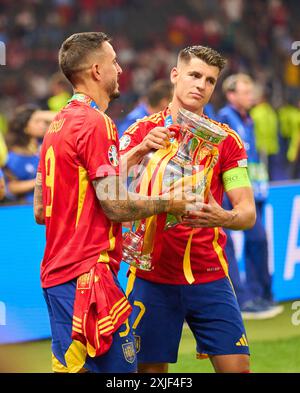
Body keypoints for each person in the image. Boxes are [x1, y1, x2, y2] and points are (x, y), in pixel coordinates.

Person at [34, 32, 195, 374]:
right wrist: (170, 202)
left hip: (57, 275)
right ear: (96, 70)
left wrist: (136, 152)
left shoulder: (57, 125)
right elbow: (116, 206)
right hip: (87, 275)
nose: (120, 69)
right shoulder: (97, 123)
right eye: (114, 62)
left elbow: (40, 208)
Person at [120, 45, 256, 373]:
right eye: (195, 75)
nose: (201, 85)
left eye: (210, 80)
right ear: (175, 75)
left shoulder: (227, 141)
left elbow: (247, 212)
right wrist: (138, 152)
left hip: (209, 274)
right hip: (150, 277)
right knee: (150, 376)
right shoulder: (140, 132)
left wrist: (223, 217)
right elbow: (107, 195)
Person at [218, 73, 284, 318]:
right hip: (230, 192)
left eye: (250, 92)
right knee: (233, 244)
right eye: (245, 92)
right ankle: (244, 298)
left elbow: (252, 158)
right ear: (231, 95)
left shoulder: (249, 120)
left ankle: (258, 294)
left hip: (251, 190)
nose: (250, 96)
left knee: (256, 240)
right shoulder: (225, 118)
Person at [3, 105, 55, 203]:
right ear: (25, 128)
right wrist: (41, 181)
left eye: (44, 121)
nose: (43, 125)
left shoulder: (47, 146)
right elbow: (11, 187)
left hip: (53, 204)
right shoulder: (14, 157)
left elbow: (65, 119)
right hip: (27, 206)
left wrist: (40, 114)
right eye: (37, 121)